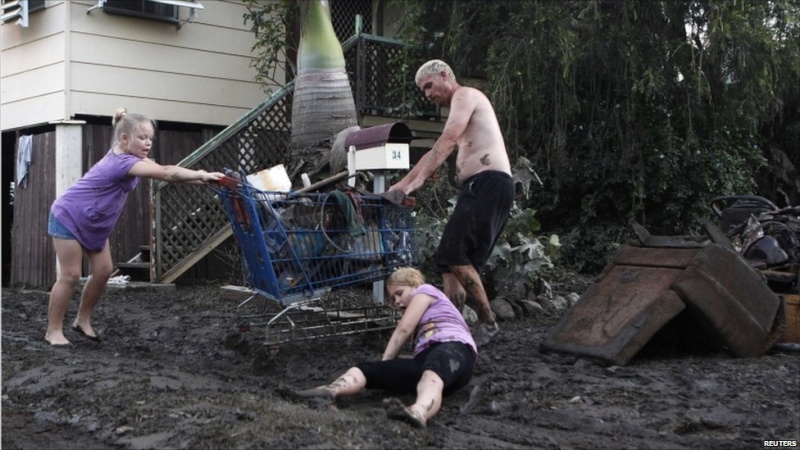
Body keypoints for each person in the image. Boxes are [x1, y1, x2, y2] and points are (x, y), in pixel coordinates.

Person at [45, 108, 225, 346]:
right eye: (142, 137)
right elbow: (167, 173)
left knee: (103, 270)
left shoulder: (134, 158)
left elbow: (168, 173)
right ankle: (53, 331)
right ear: (124, 138)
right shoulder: (121, 162)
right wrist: (201, 173)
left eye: (150, 138)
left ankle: (82, 320)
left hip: (94, 221)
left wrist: (205, 181)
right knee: (71, 275)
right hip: (69, 215)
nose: (148, 142)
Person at [389, 59, 514, 345]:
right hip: (480, 186)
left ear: (445, 75)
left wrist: (419, 182)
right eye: (424, 92)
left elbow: (447, 139)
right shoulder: (461, 110)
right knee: (448, 263)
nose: (428, 95)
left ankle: (488, 322)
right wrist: (400, 184)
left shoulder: (466, 95)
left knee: (454, 252)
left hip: (489, 183)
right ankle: (452, 326)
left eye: (429, 86)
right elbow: (432, 152)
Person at [280, 267, 477, 429]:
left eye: (399, 294)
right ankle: (329, 391)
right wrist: (382, 372)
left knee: (432, 370)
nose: (397, 301)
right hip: (430, 362)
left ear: (414, 284)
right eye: (393, 298)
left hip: (454, 349)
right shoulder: (424, 320)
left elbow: (403, 329)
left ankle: (418, 411)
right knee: (367, 369)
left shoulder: (425, 290)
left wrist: (386, 363)